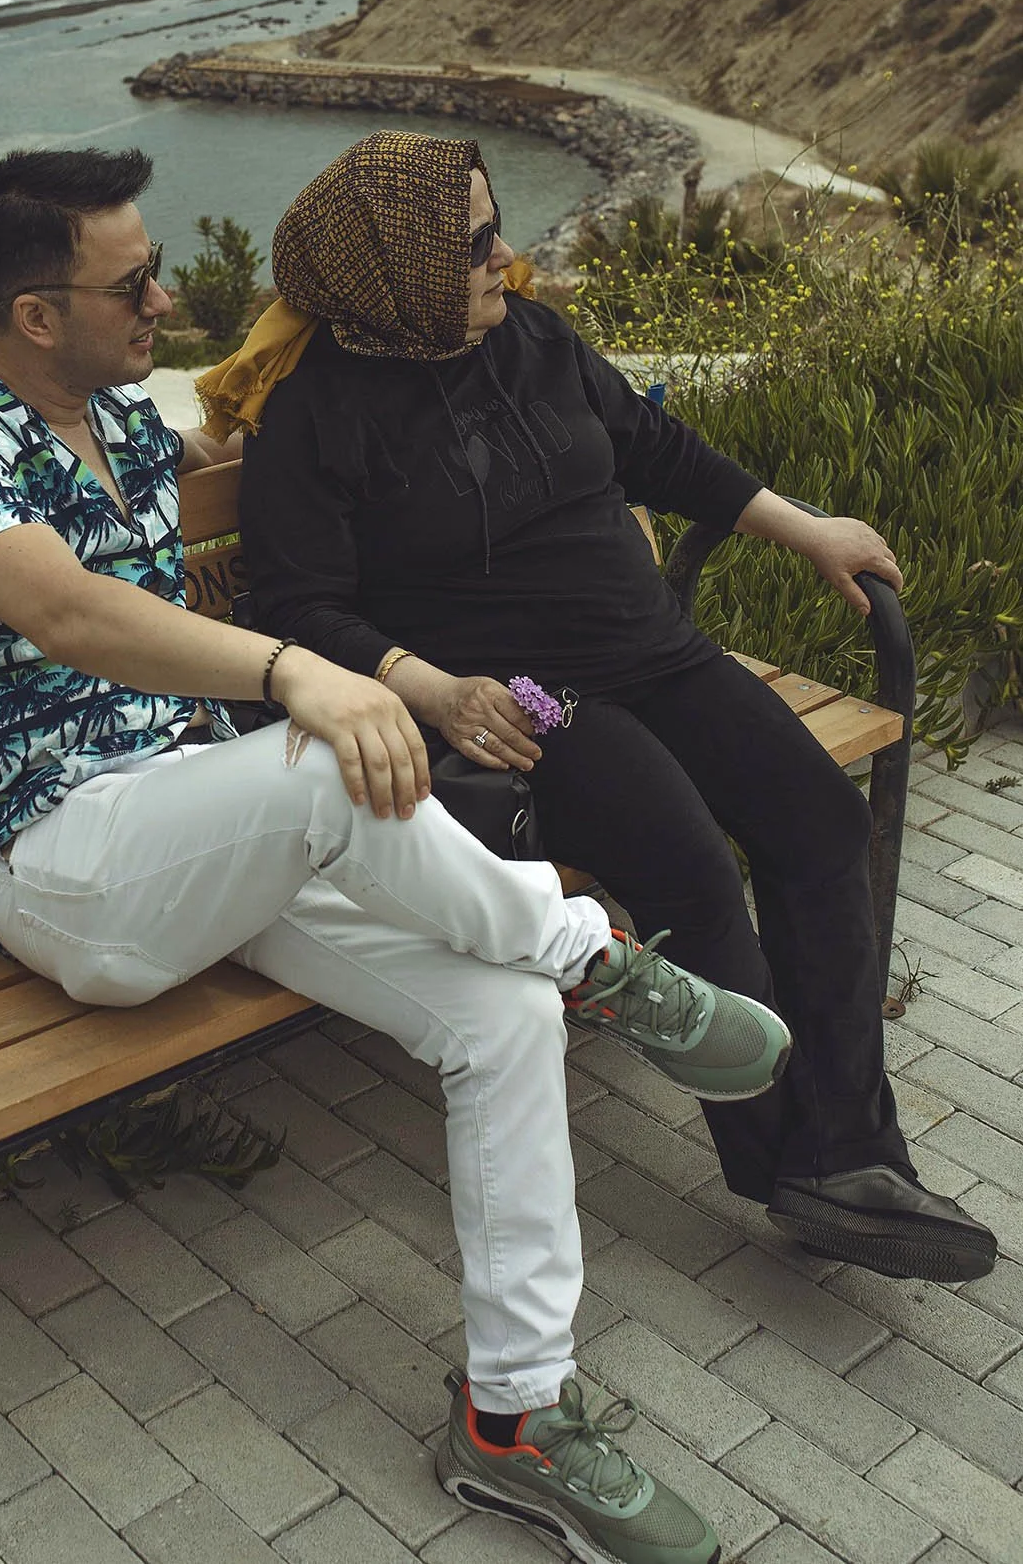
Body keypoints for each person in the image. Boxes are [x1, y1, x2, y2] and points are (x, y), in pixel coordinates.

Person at [0, 145, 798, 1564]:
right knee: (322, 752)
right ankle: (596, 950)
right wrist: (307, 669)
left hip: (204, 841)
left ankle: (516, 1417)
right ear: (35, 312)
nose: (166, 300)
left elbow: (283, 463)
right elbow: (69, 615)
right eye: (133, 284)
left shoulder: (123, 426)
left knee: (499, 1016)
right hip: (65, 867)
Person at [222, 128, 997, 1291]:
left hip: (657, 649)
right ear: (403, 273)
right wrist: (428, 687)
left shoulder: (529, 335)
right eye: (475, 241)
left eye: (495, 228)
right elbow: (299, 608)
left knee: (818, 824)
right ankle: (787, 1160)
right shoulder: (317, 416)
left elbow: (653, 449)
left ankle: (854, 1154)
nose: (504, 255)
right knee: (688, 858)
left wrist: (807, 527)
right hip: (529, 699)